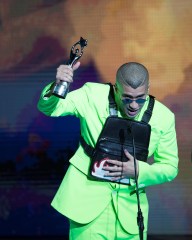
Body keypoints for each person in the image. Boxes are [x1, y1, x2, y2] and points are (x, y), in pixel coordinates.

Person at [37, 61, 179, 240]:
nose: (134, 105)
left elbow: (170, 167)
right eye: (127, 98)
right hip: (87, 208)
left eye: (140, 98)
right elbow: (50, 108)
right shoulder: (92, 95)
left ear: (148, 88)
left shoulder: (164, 117)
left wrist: (139, 171)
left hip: (130, 214)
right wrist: (59, 85)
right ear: (116, 88)